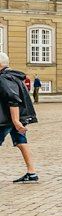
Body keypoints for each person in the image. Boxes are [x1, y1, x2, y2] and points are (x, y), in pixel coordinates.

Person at [0, 52, 39, 182]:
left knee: (21, 142)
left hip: (7, 119)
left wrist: (16, 121)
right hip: (15, 118)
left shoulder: (4, 78)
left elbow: (13, 99)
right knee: (21, 142)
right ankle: (32, 173)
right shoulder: (15, 76)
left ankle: (32, 172)